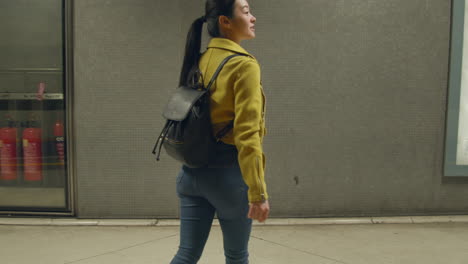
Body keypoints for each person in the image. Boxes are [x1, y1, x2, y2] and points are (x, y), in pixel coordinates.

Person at [170, 0, 269, 263]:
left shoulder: (201, 58)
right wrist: (257, 194)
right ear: (225, 22)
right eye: (246, 12)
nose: (253, 17)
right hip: (228, 179)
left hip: (190, 174)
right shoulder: (244, 65)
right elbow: (247, 135)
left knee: (186, 254)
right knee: (237, 256)